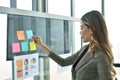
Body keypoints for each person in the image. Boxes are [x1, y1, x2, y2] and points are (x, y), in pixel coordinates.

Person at [33, 10, 116, 80]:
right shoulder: (85, 49)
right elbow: (63, 62)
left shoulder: (100, 55)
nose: (80, 32)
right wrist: (41, 45)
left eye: (82, 28)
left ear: (92, 29)